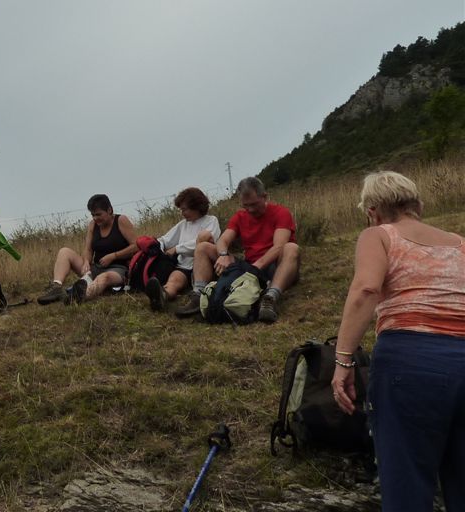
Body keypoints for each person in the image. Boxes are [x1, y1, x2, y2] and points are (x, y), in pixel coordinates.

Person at [332, 171, 465, 512]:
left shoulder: (378, 235)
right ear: (418, 205)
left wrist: (343, 360)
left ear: (372, 211)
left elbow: (366, 288)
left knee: (407, 485)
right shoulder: (459, 242)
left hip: (410, 362)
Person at [175, 177, 299, 322]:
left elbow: (279, 246)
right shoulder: (240, 217)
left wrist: (255, 268)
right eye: (246, 205)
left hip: (274, 266)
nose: (250, 209)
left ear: (264, 196)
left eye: (254, 204)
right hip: (249, 266)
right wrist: (223, 255)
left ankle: (270, 297)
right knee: (203, 247)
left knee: (291, 247)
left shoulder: (281, 213)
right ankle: (198, 295)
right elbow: (223, 240)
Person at [37, 194, 138, 305]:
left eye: (98, 214)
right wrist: (86, 262)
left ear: (109, 210)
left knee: (104, 277)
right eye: (93, 215)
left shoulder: (121, 220)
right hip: (97, 267)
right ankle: (56, 287)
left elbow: (136, 246)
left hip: (118, 269)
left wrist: (114, 256)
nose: (95, 218)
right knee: (64, 252)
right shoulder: (93, 225)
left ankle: (79, 297)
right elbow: (88, 249)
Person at [144, 188, 221, 312]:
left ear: (196, 206)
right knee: (174, 280)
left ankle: (198, 293)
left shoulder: (211, 221)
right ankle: (162, 295)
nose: (182, 213)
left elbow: (204, 244)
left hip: (205, 265)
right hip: (184, 266)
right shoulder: (182, 225)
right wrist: (156, 245)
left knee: (204, 236)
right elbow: (165, 240)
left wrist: (177, 249)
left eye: (184, 209)